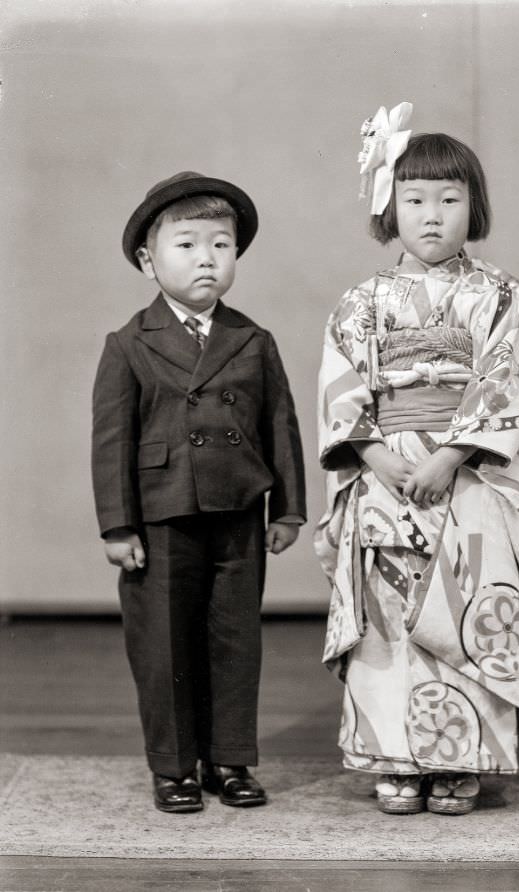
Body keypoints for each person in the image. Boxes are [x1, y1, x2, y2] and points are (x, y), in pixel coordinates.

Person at [315, 103, 519, 816]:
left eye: (450, 200)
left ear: (473, 208)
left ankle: (463, 760)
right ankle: (396, 759)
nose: (432, 215)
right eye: (415, 199)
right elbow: (341, 384)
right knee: (390, 614)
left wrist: (452, 455)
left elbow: (507, 383)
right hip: (383, 468)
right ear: (388, 208)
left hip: (473, 473)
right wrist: (370, 452)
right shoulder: (362, 303)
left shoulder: (497, 297)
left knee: (465, 608)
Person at [92, 171, 306, 813]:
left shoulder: (252, 339)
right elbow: (111, 442)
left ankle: (231, 761)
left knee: (235, 640)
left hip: (238, 510)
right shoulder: (129, 343)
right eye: (186, 245)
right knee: (163, 644)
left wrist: (288, 508)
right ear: (147, 260)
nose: (206, 258)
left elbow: (281, 426)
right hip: (160, 516)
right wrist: (117, 526)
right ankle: (174, 767)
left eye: (221, 244)